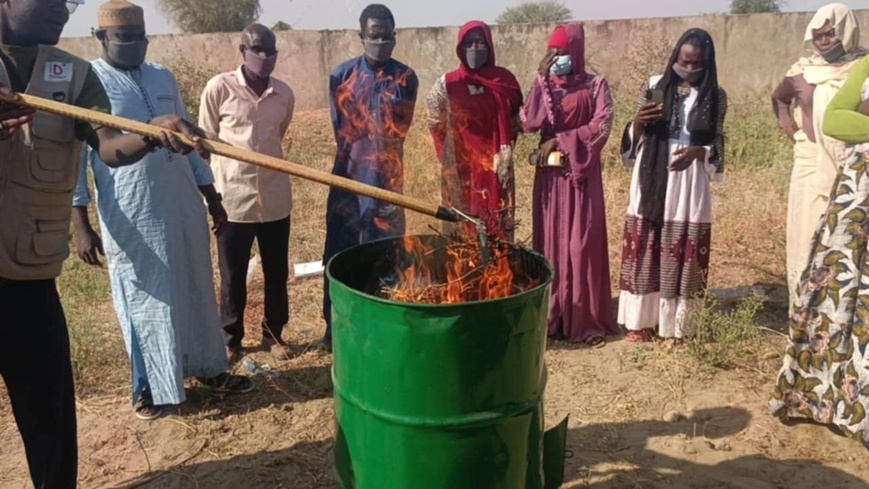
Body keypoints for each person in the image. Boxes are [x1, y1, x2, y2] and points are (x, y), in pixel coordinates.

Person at [0, 0, 210, 485]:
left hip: (27, 279)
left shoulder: (72, 76)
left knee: (49, 422)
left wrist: (153, 133)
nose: (63, 9)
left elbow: (111, 147)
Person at [71, 0, 254, 421]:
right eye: (124, 38)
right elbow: (78, 159)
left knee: (193, 286)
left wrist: (212, 196)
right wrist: (79, 222)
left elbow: (188, 138)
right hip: (132, 210)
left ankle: (209, 370)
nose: (136, 46)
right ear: (102, 38)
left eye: (141, 38)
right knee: (145, 296)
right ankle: (150, 387)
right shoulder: (90, 82)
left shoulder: (162, 76)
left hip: (181, 200)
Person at [769, 54, 869, 447]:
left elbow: (852, 117)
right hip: (856, 196)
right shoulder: (866, 67)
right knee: (833, 297)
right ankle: (828, 398)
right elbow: (836, 121)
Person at [315, 3, 418, 353]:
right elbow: (339, 130)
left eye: (387, 34)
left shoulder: (406, 78)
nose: (381, 40)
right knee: (340, 254)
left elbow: (399, 131)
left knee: (387, 254)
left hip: (388, 183)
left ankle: (383, 330)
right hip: (348, 179)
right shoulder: (341, 76)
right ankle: (336, 331)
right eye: (374, 34)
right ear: (362, 36)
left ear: (394, 35)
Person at [617, 28, 727, 344]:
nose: (689, 69)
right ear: (675, 57)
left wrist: (698, 152)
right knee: (646, 244)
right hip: (651, 171)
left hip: (690, 177)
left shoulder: (716, 95)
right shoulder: (653, 85)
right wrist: (639, 121)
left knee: (683, 249)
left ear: (708, 63)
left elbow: (717, 143)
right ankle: (641, 322)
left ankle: (679, 326)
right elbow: (631, 139)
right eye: (684, 61)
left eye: (697, 64)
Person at [199, 23, 296, 362]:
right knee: (232, 275)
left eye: (271, 50)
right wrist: (210, 197)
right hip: (233, 201)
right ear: (242, 51)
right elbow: (206, 140)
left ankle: (274, 335)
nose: (265, 56)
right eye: (257, 49)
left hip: (274, 199)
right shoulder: (219, 88)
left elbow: (277, 137)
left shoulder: (283, 94)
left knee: (276, 272)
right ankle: (231, 338)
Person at [520, 24, 616, 345]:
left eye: (562, 52)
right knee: (550, 242)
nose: (557, 58)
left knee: (580, 245)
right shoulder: (547, 85)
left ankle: (585, 320)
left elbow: (602, 125)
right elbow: (528, 123)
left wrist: (561, 141)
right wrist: (539, 80)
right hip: (549, 179)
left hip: (581, 177)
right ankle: (553, 316)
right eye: (552, 52)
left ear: (576, 51)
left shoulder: (595, 85)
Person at [772, 3, 867, 307]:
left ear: (847, 33)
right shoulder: (802, 72)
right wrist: (796, 133)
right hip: (810, 163)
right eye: (818, 36)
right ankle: (805, 309)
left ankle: (840, 309)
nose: (824, 41)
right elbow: (779, 99)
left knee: (846, 234)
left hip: (853, 160)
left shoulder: (862, 67)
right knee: (807, 232)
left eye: (831, 34)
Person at [425, 20, 522, 239]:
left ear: (489, 46)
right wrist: (445, 154)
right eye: (469, 42)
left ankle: (498, 270)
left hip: (495, 166)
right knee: (461, 221)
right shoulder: (447, 83)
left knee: (496, 220)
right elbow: (433, 117)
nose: (475, 48)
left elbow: (516, 119)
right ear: (460, 47)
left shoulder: (504, 81)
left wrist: (504, 151)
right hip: (461, 165)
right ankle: (462, 270)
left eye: (480, 42)